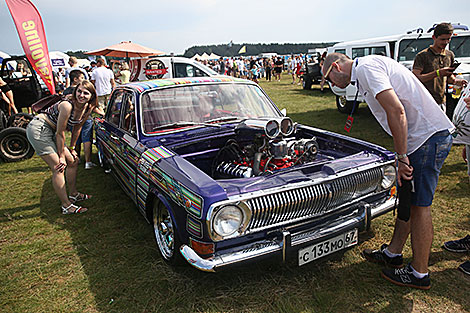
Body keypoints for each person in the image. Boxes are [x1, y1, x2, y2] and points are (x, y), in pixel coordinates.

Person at [322, 52, 454, 290]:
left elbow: (397, 110)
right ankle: (393, 253)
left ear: (336, 67)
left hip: (426, 138)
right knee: (407, 198)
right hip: (421, 139)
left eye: (329, 79)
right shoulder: (367, 68)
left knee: (419, 206)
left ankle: (419, 272)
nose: (331, 84)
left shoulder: (365, 69)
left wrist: (401, 157)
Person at [26, 80, 98, 214]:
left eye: (86, 93)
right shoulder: (67, 106)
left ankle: (74, 194)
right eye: (79, 91)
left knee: (73, 161)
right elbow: (60, 133)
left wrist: (71, 149)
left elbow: (77, 129)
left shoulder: (87, 108)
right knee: (58, 167)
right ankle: (66, 206)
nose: (81, 95)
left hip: (53, 132)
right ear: (75, 91)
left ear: (92, 96)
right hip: (39, 129)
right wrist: (61, 156)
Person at [413, 23, 467, 114]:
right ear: (434, 37)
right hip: (425, 102)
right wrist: (437, 73)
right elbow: (415, 78)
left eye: (448, 39)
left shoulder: (449, 55)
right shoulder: (423, 56)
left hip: (442, 101)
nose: (446, 42)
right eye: (442, 39)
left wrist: (457, 82)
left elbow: (448, 78)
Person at [64, 70, 105, 169]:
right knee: (87, 139)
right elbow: (93, 107)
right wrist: (103, 114)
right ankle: (88, 161)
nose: (81, 95)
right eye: (81, 78)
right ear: (75, 79)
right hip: (85, 118)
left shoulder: (67, 91)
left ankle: (76, 157)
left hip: (73, 119)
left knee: (76, 138)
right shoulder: (84, 91)